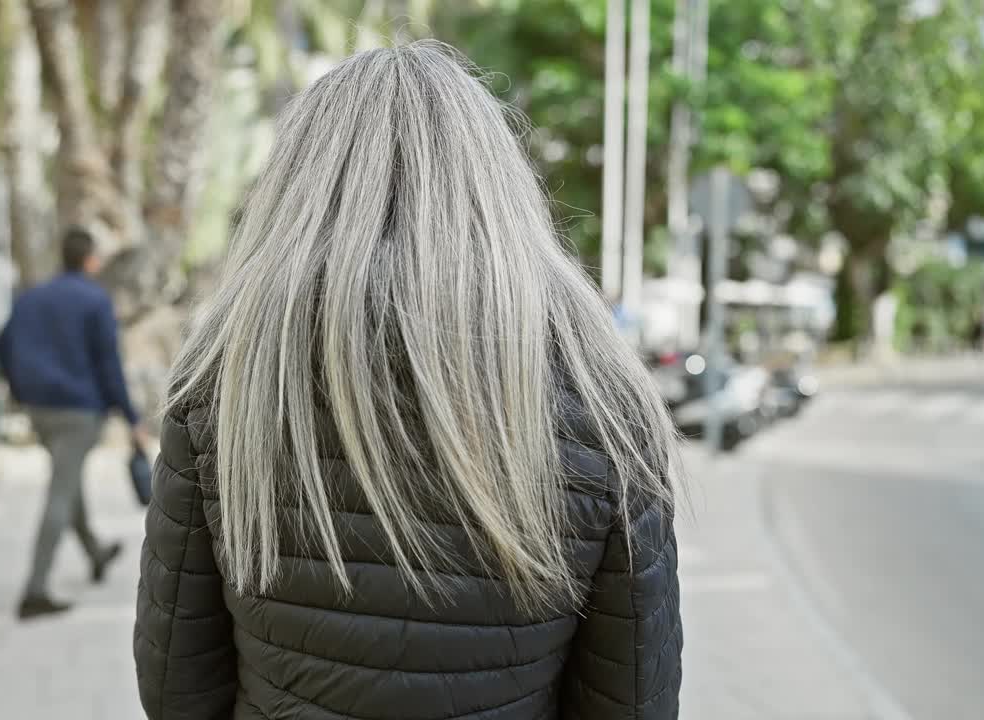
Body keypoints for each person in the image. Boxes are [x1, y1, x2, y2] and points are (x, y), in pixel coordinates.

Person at [134, 42, 683, 719]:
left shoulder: (225, 380)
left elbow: (175, 685)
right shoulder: (602, 398)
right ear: (499, 187)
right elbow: (633, 699)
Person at [0, 227, 142, 620]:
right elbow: (109, 364)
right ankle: (35, 590)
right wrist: (131, 417)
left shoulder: (32, 297)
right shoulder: (95, 300)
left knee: (68, 480)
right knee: (61, 491)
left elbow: (2, 343)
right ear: (91, 259)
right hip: (78, 411)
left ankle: (95, 552)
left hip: (39, 409)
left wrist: (20, 388)